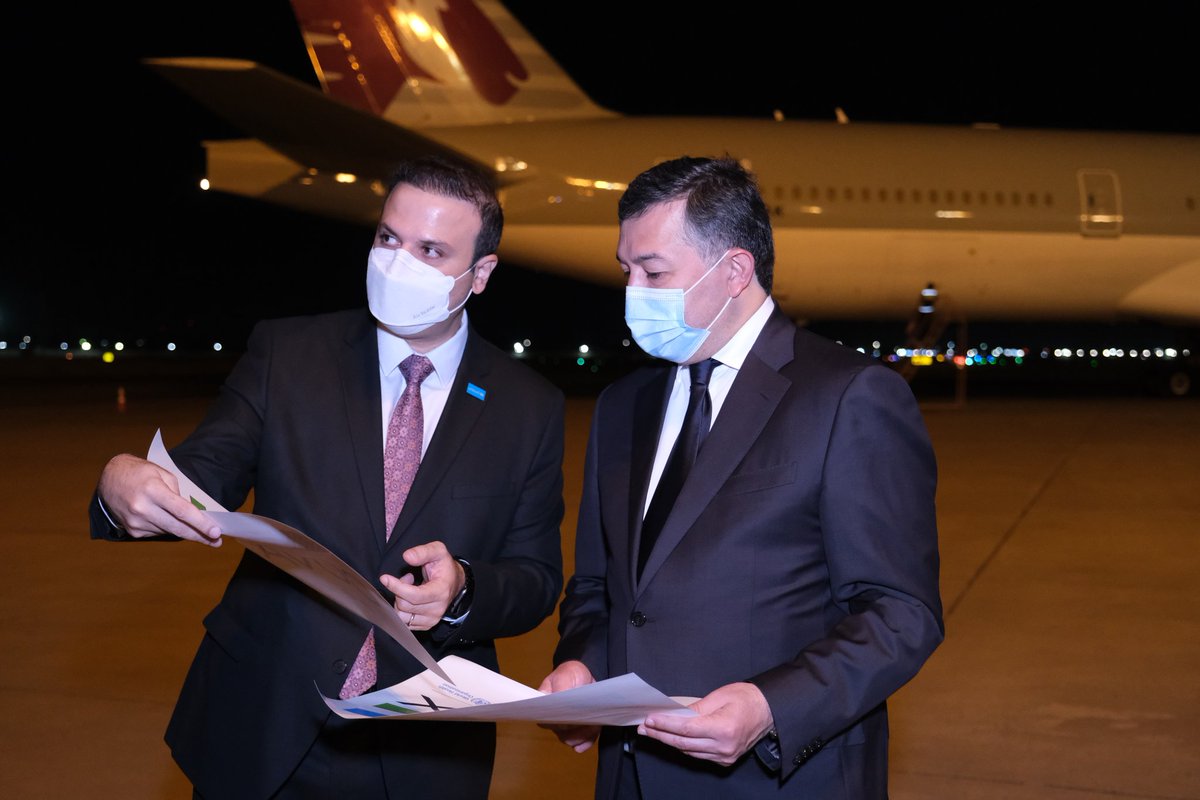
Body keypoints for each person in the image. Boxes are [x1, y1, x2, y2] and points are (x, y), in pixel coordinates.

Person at [89, 154, 565, 799]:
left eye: (431, 250)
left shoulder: (528, 406)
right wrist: (124, 482)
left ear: (480, 274)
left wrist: (462, 588)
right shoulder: (289, 354)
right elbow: (201, 476)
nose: (398, 263)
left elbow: (535, 577)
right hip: (265, 722)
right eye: (389, 238)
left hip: (421, 748)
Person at [538, 156, 943, 799]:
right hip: (629, 776)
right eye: (626, 271)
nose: (633, 292)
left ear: (734, 271)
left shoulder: (849, 396)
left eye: (653, 272)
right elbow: (598, 584)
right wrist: (581, 663)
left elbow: (901, 612)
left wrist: (771, 706)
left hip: (778, 779)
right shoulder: (622, 405)